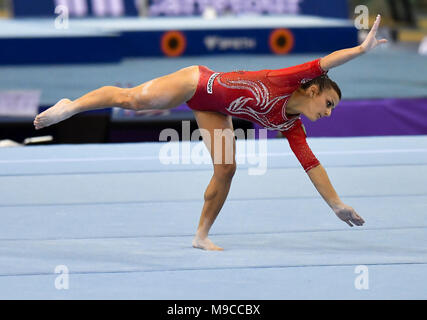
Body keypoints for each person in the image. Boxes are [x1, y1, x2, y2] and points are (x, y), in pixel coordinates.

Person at [34, 15, 387, 251]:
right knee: (134, 100)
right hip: (195, 82)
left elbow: (311, 164)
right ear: (313, 90)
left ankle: (200, 236)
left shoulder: (288, 124)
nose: (327, 113)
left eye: (332, 110)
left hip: (216, 109)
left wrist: (336, 205)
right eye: (328, 103)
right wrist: (360, 49)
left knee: (227, 168)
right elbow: (326, 62)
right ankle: (72, 105)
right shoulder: (290, 80)